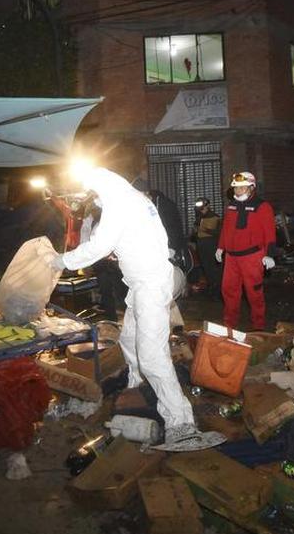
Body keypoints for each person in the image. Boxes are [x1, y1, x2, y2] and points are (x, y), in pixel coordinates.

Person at [53, 167, 214, 448]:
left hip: (150, 286)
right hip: (145, 282)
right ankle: (138, 386)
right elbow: (133, 237)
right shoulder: (133, 198)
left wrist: (61, 261)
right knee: (129, 339)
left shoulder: (120, 203)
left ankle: (182, 423)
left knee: (153, 356)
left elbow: (98, 246)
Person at [216, 171, 277, 331]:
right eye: (236, 188)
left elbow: (269, 232)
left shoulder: (262, 206)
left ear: (251, 187)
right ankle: (229, 325)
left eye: (242, 187)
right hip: (231, 258)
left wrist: (270, 254)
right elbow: (226, 229)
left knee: (254, 293)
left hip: (252, 257)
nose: (238, 191)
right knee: (229, 291)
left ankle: (258, 326)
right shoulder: (231, 206)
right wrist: (221, 246)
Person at [192, 198, 223, 296]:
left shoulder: (215, 217)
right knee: (206, 267)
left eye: (203, 207)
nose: (201, 210)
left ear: (207, 206)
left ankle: (218, 288)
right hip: (201, 244)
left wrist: (204, 229)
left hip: (211, 244)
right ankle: (212, 287)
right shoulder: (199, 217)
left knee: (213, 267)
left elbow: (219, 233)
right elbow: (195, 232)